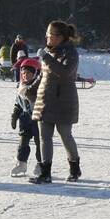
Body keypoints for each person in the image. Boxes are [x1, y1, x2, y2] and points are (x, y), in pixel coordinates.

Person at [30, 21, 81, 184]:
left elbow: (64, 72)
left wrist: (45, 57)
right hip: (45, 100)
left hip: (64, 101)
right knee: (44, 136)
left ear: (59, 37)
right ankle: (45, 173)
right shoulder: (49, 52)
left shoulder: (71, 53)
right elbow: (44, 76)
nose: (47, 37)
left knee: (65, 135)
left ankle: (74, 168)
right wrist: (30, 89)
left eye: (49, 35)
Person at [10, 57, 43, 177]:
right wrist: (14, 115)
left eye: (28, 73)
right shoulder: (21, 87)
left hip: (38, 119)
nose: (25, 75)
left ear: (35, 73)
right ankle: (21, 163)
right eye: (23, 73)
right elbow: (18, 103)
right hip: (24, 120)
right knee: (23, 142)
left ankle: (41, 164)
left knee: (40, 143)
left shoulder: (39, 88)